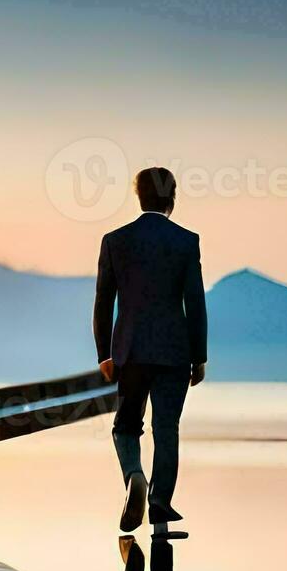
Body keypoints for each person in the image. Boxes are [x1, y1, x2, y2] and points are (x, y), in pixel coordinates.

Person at [92, 166, 208, 536]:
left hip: (130, 351)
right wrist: (199, 355)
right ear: (172, 198)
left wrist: (103, 354)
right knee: (166, 427)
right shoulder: (186, 241)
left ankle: (134, 477)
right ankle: (160, 503)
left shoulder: (115, 240)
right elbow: (195, 302)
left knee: (126, 427)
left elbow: (102, 302)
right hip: (175, 352)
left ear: (138, 196)